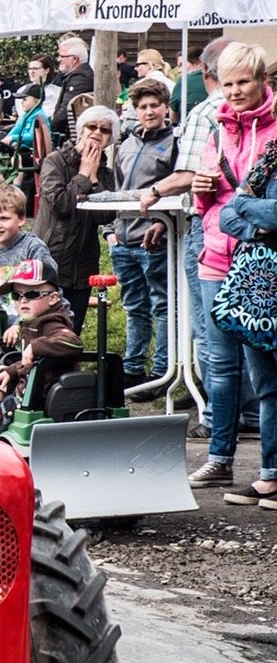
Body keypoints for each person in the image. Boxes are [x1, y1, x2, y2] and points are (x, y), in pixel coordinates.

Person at [139, 37, 242, 440]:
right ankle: (239, 412)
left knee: (210, 326)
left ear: (203, 71)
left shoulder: (206, 111)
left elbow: (190, 177)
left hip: (213, 230)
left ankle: (219, 417)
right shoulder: (256, 116)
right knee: (244, 325)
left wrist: (155, 192)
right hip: (245, 230)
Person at [184, 42, 277, 490]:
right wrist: (202, 190)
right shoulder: (218, 130)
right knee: (218, 366)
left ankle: (269, 471)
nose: (235, 91)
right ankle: (220, 457)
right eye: (228, 82)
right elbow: (213, 206)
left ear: (262, 81)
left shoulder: (275, 130)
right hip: (218, 255)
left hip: (262, 262)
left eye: (244, 81)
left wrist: (238, 211)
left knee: (262, 370)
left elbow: (256, 206)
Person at [106, 79, 177, 395]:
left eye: (154, 106)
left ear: (165, 108)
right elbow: (118, 191)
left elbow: (180, 191)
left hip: (154, 239)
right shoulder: (126, 144)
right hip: (124, 240)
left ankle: (162, 371)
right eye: (142, 107)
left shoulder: (174, 143)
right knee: (135, 307)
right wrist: (110, 231)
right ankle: (133, 369)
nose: (148, 112)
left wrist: (164, 224)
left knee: (162, 305)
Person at [217, 139, 277, 507]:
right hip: (255, 289)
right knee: (267, 385)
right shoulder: (269, 156)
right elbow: (227, 214)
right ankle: (270, 476)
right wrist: (255, 227)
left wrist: (246, 205)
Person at [0, 260, 83, 438]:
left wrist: (36, 346)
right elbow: (31, 361)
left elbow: (73, 342)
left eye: (32, 294)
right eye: (17, 296)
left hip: (37, 394)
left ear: (53, 298)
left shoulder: (51, 321)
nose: (23, 301)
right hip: (30, 388)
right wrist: (12, 371)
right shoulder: (32, 322)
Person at [35, 105, 118, 332]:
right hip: (50, 257)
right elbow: (60, 204)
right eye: (92, 126)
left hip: (82, 263)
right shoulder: (55, 161)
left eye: (105, 130)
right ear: (81, 129)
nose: (97, 133)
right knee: (45, 327)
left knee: (73, 329)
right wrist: (83, 176)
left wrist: (94, 179)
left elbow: (105, 215)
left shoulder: (106, 173)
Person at [0, 184, 56, 340]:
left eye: (4, 218)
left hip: (44, 326)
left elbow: (47, 293)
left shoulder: (32, 247)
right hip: (11, 329)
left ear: (21, 219)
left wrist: (20, 324)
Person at [0, 83, 50, 213]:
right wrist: (5, 140)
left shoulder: (40, 116)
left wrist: (14, 138)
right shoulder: (25, 116)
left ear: (36, 100)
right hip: (21, 148)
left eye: (25, 99)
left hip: (33, 152)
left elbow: (35, 136)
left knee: (17, 159)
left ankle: (16, 188)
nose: (21, 102)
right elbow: (15, 129)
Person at [52, 37, 95, 142]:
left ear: (75, 59)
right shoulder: (78, 75)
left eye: (62, 56)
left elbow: (64, 113)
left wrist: (49, 126)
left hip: (70, 137)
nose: (59, 59)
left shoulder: (80, 78)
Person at [171, 46, 208, 123]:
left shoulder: (183, 82)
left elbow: (173, 118)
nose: (178, 71)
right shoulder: (217, 79)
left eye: (181, 65)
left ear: (198, 63)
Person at [28, 54, 62, 120]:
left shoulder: (58, 91)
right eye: (30, 69)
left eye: (35, 68)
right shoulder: (22, 91)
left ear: (47, 70)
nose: (31, 72)